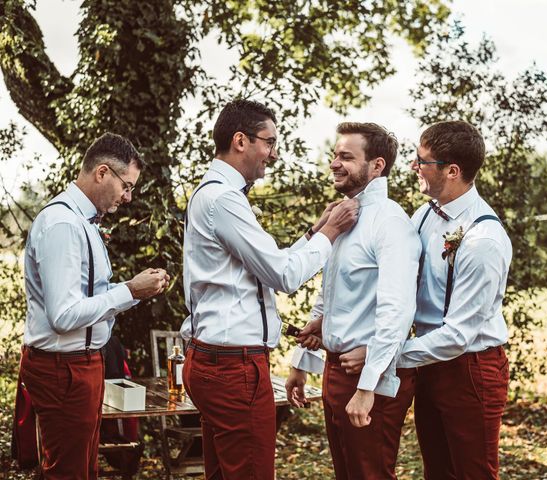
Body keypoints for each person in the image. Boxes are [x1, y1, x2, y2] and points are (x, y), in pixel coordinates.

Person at [180, 99, 359, 480]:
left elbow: (267, 266)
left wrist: (313, 232)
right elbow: (285, 276)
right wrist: (331, 231)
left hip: (215, 361)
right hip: (233, 369)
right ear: (241, 140)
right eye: (269, 142)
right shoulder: (224, 200)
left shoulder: (214, 194)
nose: (273, 154)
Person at [19, 132, 170, 480]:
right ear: (103, 173)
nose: (128, 197)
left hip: (79, 366)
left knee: (84, 470)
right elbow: (64, 315)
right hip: (63, 369)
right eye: (126, 186)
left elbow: (89, 297)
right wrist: (130, 290)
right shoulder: (62, 225)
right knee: (69, 473)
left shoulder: (81, 223)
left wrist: (133, 291)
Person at [285, 122, 421, 479]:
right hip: (336, 370)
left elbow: (398, 310)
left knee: (369, 474)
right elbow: (328, 291)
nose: (334, 163)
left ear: (377, 166)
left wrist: (366, 388)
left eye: (346, 156)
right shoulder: (342, 215)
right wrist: (302, 361)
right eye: (334, 155)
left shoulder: (390, 223)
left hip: (368, 375)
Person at [397, 121, 512, 479]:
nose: (414, 166)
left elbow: (459, 335)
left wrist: (388, 352)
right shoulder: (423, 216)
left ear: (452, 171)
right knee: (438, 470)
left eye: (421, 160)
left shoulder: (483, 240)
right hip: (430, 360)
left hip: (470, 367)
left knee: (472, 472)